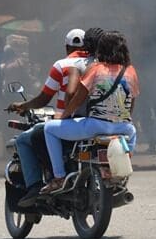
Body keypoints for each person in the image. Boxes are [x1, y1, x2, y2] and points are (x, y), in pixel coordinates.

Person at [8, 28, 102, 206]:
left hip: (67, 121)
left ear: (67, 47)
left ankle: (38, 185)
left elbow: (45, 98)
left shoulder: (62, 65)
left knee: (24, 140)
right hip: (99, 120)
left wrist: (23, 105)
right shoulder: (101, 64)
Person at [42, 31, 139, 194]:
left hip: (95, 125)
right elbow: (132, 103)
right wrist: (122, 121)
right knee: (132, 134)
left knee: (49, 129)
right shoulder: (130, 71)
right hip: (124, 127)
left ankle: (59, 177)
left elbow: (79, 98)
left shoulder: (95, 69)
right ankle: (119, 174)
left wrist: (64, 116)